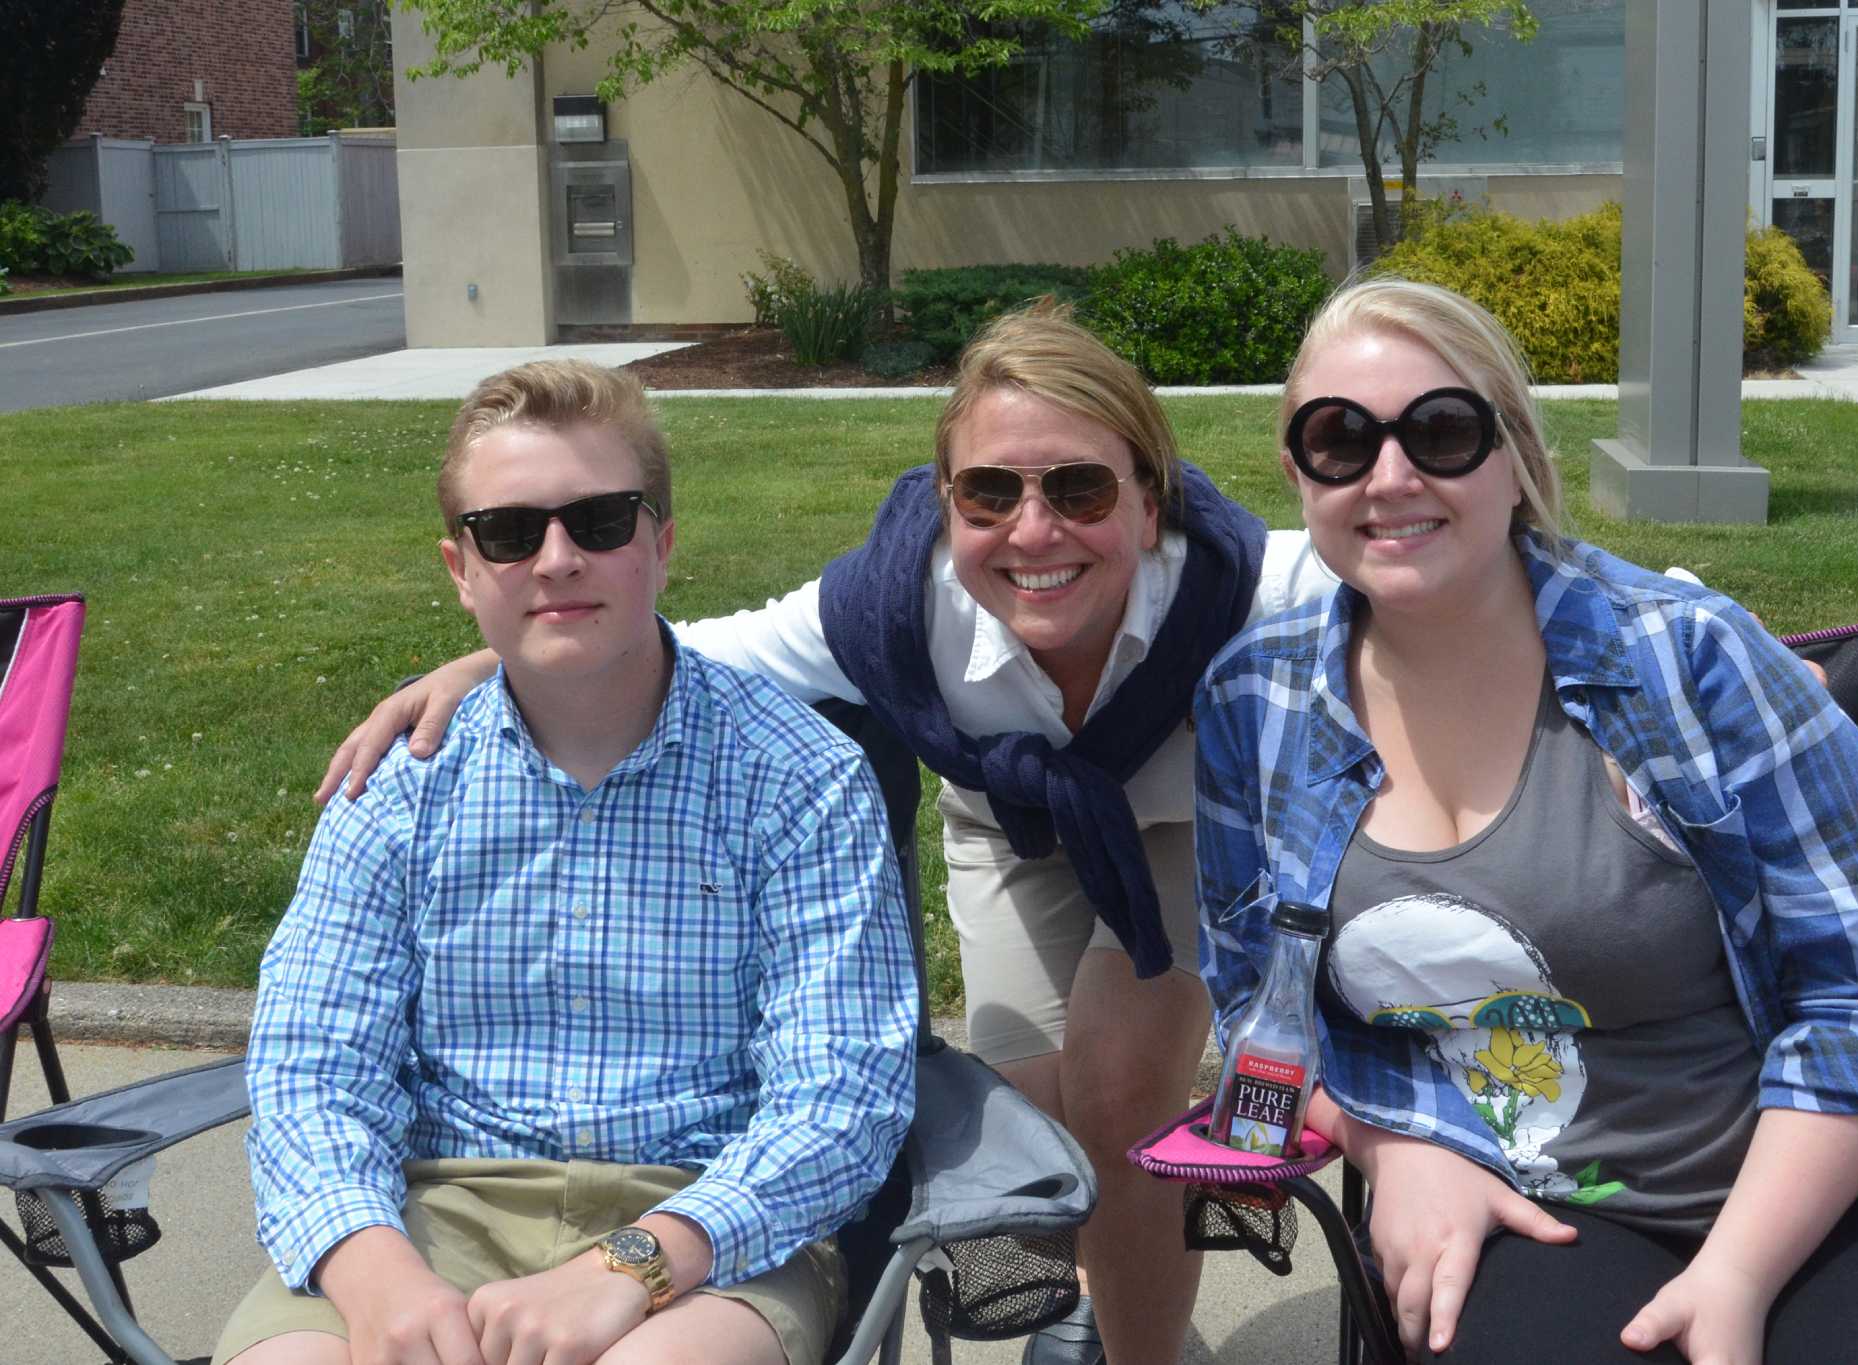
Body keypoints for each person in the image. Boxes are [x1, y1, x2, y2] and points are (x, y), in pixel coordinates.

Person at [314, 303, 1339, 1365]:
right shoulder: (895, 608)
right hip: (1014, 822)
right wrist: (497, 659)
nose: (1033, 532)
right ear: (946, 504)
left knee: (1120, 1078)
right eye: (989, 494)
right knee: (1026, 1127)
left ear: (1147, 497)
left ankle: (1143, 1356)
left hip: (1178, 822)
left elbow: (1429, 592)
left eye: (1077, 488)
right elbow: (689, 647)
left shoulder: (1246, 591)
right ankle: (1088, 1291)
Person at [1192, 277, 1858, 1364]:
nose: (1390, 476)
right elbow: (1247, 1015)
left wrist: (1732, 1277)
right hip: (1524, 1201)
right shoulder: (1251, 704)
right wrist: (1385, 1149)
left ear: (1513, 458)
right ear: (1296, 473)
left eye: (1442, 432)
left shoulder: (1691, 662)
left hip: (1811, 1183)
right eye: (1339, 440)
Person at [218, 360, 919, 1365]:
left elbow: (841, 1098)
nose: (555, 560)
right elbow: (313, 1066)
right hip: (429, 1207)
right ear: (460, 569)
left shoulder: (798, 780)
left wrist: (631, 1262)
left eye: (597, 522)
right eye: (509, 532)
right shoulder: (400, 785)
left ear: (661, 544)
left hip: (707, 1225)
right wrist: (375, 1275)